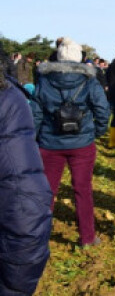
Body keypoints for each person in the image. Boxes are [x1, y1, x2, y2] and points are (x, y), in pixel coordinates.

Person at [31, 38, 110, 247]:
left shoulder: (44, 81)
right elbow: (103, 110)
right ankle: (87, 237)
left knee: (47, 190)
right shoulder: (90, 81)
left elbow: (35, 113)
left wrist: (35, 138)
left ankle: (39, 235)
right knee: (83, 189)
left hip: (50, 142)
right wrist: (97, 132)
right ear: (79, 58)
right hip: (82, 143)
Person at [0, 48, 53, 295]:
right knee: (81, 188)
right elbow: (24, 202)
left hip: (49, 142)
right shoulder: (8, 98)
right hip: (75, 142)